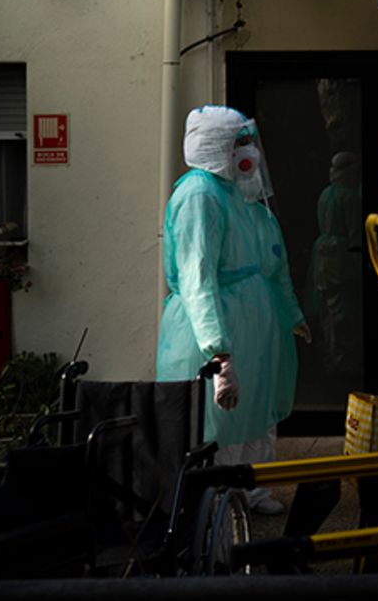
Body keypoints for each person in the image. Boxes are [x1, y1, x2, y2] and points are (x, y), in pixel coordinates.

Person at [156, 105, 311, 516]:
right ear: (216, 147)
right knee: (216, 423)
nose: (250, 152)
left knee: (254, 411)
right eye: (240, 143)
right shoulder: (199, 195)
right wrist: (218, 353)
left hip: (251, 328)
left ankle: (250, 490)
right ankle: (213, 506)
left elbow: (273, 264)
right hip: (215, 328)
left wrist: (290, 314)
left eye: (248, 141)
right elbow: (197, 278)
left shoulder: (240, 198)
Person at [304, 151, 363, 374]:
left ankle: (330, 355)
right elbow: (356, 234)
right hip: (342, 261)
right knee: (342, 312)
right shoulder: (350, 197)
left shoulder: (325, 194)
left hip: (322, 258)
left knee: (327, 310)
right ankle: (341, 360)